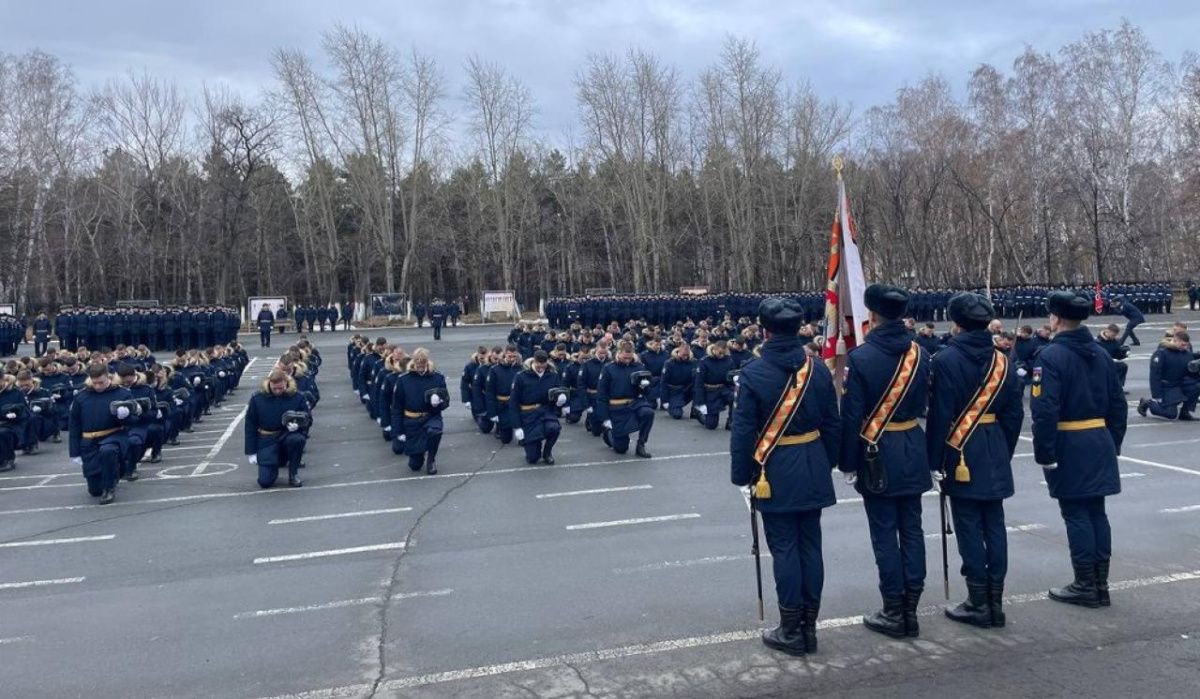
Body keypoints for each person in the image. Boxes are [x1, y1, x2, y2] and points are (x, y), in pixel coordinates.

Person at [730, 297, 841, 656]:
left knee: (785, 549)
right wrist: (829, 461)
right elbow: (832, 422)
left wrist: (741, 474)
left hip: (773, 468)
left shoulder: (752, 372)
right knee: (811, 546)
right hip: (812, 461)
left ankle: (792, 629)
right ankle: (809, 626)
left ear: (764, 330)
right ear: (798, 330)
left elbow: (743, 432)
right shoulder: (818, 368)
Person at [838, 283, 932, 639]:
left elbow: (851, 417)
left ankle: (894, 609)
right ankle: (911, 607)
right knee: (912, 531)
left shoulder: (861, 358)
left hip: (876, 450)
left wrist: (847, 462)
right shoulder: (920, 354)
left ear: (872, 315)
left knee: (884, 534)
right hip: (912, 443)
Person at [926, 293, 1024, 629]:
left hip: (961, 448)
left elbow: (939, 416)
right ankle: (995, 601)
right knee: (994, 525)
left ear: (955, 323)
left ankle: (978, 601)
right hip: (994, 443)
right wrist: (1002, 448)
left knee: (968, 526)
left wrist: (935, 460)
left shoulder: (945, 359)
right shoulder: (1003, 360)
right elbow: (1014, 413)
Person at [1032, 291, 1127, 607]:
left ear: (1055, 319)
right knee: (1096, 511)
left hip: (1069, 441)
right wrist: (1112, 441)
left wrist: (1044, 452)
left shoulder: (1050, 357)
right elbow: (1118, 403)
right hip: (1098, 439)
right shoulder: (1100, 353)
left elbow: (1045, 410)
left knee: (1075, 513)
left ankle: (1086, 583)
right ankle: (1099, 583)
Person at [68, 364, 137, 503]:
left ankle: (109, 488)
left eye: (101, 382)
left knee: (108, 451)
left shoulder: (122, 394)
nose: (98, 386)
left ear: (108, 377)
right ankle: (114, 472)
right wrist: (74, 452)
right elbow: (74, 425)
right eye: (95, 383)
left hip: (113, 436)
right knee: (94, 491)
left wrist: (126, 415)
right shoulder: (81, 397)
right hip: (89, 442)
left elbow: (134, 420)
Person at [245, 370, 310, 488]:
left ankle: (293, 474)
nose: (278, 391)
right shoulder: (258, 398)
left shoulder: (296, 396)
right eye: (275, 388)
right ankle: (273, 468)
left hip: (287, 436)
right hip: (266, 440)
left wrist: (299, 425)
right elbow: (250, 424)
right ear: (269, 384)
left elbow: (307, 418)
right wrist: (251, 452)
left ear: (286, 383)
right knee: (264, 482)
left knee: (297, 439)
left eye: (281, 388)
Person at [390, 348, 448, 474]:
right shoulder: (403, 380)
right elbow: (397, 408)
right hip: (412, 421)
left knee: (435, 431)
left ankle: (431, 460)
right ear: (413, 361)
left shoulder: (437, 378)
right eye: (418, 361)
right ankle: (420, 454)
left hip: (431, 416)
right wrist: (398, 431)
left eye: (423, 361)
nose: (420, 365)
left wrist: (438, 402)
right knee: (415, 465)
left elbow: (446, 401)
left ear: (427, 361)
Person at [596, 340, 655, 458]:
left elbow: (646, 392)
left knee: (648, 413)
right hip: (617, 407)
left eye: (629, 357)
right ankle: (608, 434)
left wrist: (644, 386)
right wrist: (605, 418)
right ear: (619, 353)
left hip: (635, 403)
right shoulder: (609, 368)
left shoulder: (639, 366)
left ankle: (641, 444)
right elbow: (602, 394)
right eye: (625, 357)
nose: (627, 360)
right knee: (621, 449)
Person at [510, 350, 565, 464]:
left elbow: (558, 391)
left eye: (543, 363)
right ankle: (535, 445)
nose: (540, 366)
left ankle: (547, 452)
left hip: (545, 411)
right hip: (528, 414)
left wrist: (561, 399)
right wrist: (517, 426)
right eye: (538, 363)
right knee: (532, 458)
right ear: (533, 361)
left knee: (554, 428)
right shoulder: (521, 376)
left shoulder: (552, 375)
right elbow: (514, 402)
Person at [1137, 331, 1200, 420]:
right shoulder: (1162, 353)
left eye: (1186, 345)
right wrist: (1157, 395)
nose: (1185, 347)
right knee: (1171, 414)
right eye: (1183, 345)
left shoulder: (1187, 354)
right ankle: (1148, 403)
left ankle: (1185, 413)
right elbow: (1155, 375)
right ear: (1175, 341)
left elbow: (1190, 372)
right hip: (1167, 387)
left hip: (1180, 384)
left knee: (1197, 386)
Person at [694, 341, 736, 430]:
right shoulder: (704, 361)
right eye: (720, 353)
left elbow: (731, 377)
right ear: (714, 349)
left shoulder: (728, 360)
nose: (721, 355)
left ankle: (731, 421)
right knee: (711, 425)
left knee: (736, 398)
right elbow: (699, 383)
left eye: (723, 353)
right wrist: (700, 402)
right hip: (710, 391)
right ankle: (700, 414)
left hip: (723, 388)